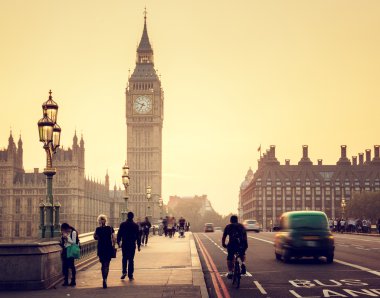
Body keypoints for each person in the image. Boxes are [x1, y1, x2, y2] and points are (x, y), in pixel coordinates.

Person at [222, 215, 248, 279]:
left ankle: (230, 272)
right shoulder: (241, 226)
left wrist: (224, 244)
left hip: (232, 244)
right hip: (241, 244)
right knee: (242, 254)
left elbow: (224, 236)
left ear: (230, 220)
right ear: (237, 220)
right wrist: (245, 245)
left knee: (230, 258)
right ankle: (243, 264)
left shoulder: (228, 226)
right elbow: (245, 236)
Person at [117, 211, 141, 280]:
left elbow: (119, 234)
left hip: (125, 244)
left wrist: (118, 242)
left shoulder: (122, 224)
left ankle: (124, 272)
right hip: (132, 244)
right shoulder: (135, 225)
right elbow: (138, 236)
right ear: (133, 217)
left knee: (124, 258)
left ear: (127, 216)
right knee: (131, 259)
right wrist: (139, 245)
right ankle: (130, 274)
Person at [93, 214, 116, 289]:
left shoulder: (97, 229)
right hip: (108, 247)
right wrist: (113, 245)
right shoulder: (110, 228)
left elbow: (95, 237)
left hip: (101, 247)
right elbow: (114, 237)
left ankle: (103, 279)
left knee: (103, 264)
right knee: (107, 264)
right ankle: (105, 279)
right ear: (106, 221)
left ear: (99, 221)